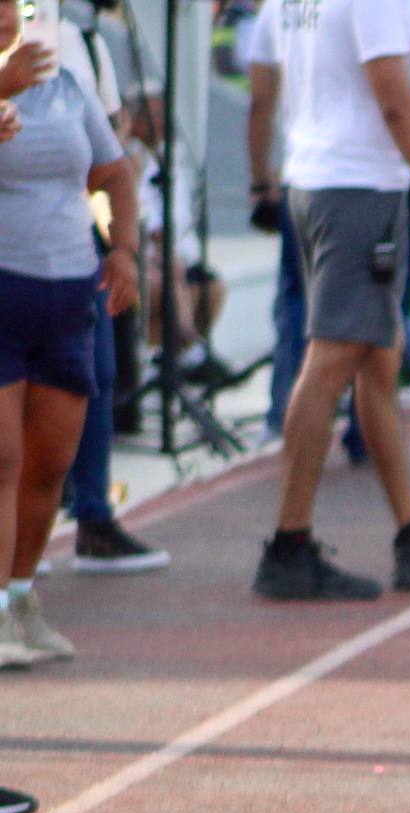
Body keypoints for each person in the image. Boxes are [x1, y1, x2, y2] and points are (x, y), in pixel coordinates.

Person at [249, 0, 410, 601]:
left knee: (380, 359)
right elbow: (395, 101)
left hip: (317, 178)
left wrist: (265, 176)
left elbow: (267, 87)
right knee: (332, 359)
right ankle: (289, 545)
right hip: (357, 187)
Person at [0, 0, 140, 664]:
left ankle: (23, 597)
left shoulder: (64, 85)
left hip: (69, 295)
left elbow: (114, 174)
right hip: (3, 286)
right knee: (2, 460)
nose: (6, 14)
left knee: (50, 463)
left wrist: (124, 251)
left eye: (15, 4)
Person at [48, 0, 164, 572]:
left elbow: (114, 158)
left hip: (78, 241)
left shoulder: (82, 46)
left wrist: (122, 247)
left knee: (95, 372)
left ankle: (91, 516)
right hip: (13, 253)